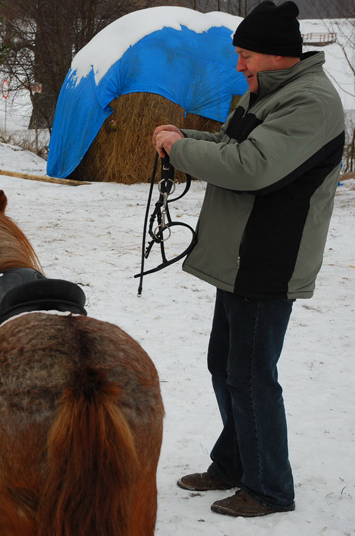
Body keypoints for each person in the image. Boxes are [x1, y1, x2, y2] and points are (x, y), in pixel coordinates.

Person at [152, 0, 344, 518]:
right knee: (226, 366)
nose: (240, 65)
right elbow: (228, 143)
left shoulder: (311, 105)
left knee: (253, 374)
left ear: (280, 56)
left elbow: (252, 166)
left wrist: (181, 151)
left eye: (247, 55)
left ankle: (269, 488)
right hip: (240, 255)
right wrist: (183, 140)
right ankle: (234, 464)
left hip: (269, 258)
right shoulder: (264, 91)